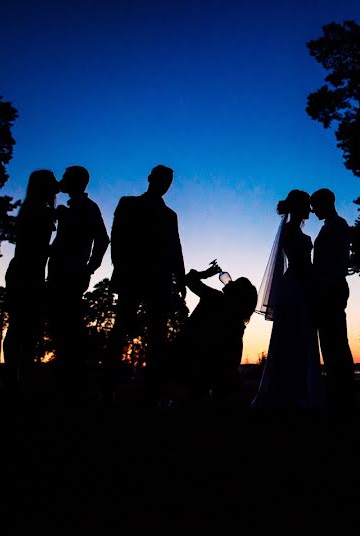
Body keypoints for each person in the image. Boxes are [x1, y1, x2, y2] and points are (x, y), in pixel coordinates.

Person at [104, 164, 185, 404]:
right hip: (132, 277)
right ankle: (109, 386)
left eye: (169, 182)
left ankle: (156, 390)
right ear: (150, 179)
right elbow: (117, 239)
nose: (165, 185)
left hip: (159, 281)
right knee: (120, 330)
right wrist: (120, 270)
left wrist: (179, 278)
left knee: (158, 335)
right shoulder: (128, 203)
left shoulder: (170, 215)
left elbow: (175, 248)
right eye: (162, 179)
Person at [251, 189, 323, 411]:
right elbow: (301, 265)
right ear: (298, 207)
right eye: (306, 205)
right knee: (294, 335)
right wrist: (314, 284)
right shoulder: (290, 231)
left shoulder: (292, 230)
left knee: (300, 335)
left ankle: (298, 389)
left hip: (297, 284)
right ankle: (292, 391)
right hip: (296, 286)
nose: (310, 209)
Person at [46, 166, 110, 399]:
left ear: (77, 182)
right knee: (59, 325)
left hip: (71, 275)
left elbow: (102, 239)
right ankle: (67, 380)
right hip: (59, 273)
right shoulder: (71, 208)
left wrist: (89, 268)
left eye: (66, 178)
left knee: (67, 327)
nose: (62, 181)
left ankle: (70, 383)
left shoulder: (88, 208)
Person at [3, 169, 59, 391]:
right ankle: (15, 378)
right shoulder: (38, 211)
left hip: (27, 272)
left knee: (22, 327)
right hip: (26, 273)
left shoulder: (34, 208)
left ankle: (16, 377)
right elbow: (39, 249)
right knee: (21, 327)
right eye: (51, 184)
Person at [172, 262, 258, 406]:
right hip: (211, 372)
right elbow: (231, 360)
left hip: (189, 361)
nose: (230, 282)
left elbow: (189, 279)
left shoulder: (215, 297)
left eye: (234, 283)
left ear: (236, 293)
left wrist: (205, 274)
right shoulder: (237, 323)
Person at [310, 188, 355, 414]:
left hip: (331, 288)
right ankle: (339, 391)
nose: (312, 210)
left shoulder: (336, 225)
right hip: (328, 287)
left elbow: (334, 261)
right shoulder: (332, 225)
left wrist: (323, 287)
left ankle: (342, 393)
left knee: (335, 341)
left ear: (326, 203)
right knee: (331, 342)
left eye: (315, 205)